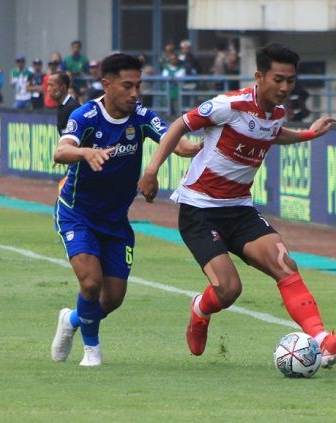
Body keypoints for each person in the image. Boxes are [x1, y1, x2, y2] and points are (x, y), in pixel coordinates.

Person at [138, 43, 336, 369]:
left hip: (240, 209)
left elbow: (273, 133)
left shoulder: (276, 112)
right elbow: (178, 126)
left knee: (284, 263)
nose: (285, 87)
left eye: (290, 80)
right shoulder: (229, 105)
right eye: (278, 79)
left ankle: (322, 341)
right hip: (200, 210)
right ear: (259, 76)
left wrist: (308, 134)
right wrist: (151, 171)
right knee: (229, 290)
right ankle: (201, 309)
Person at [49, 53, 201, 366]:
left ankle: (71, 321)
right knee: (91, 283)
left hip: (116, 222)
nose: (135, 93)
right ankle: (92, 348)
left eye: (138, 86)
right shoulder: (86, 115)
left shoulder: (141, 116)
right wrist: (85, 152)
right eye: (127, 86)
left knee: (113, 298)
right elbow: (61, 151)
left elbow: (180, 146)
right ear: (107, 84)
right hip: (78, 213)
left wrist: (203, 146)